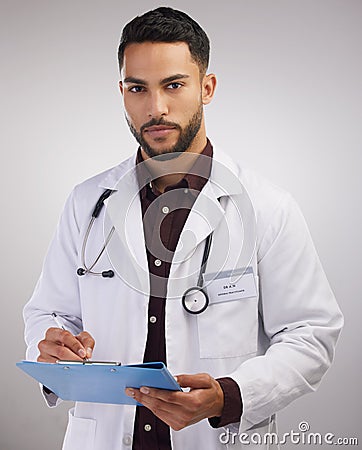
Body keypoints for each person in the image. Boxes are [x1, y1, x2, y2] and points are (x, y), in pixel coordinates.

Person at [23, 6, 343, 450]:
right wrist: (53, 344)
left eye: (174, 85)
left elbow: (312, 334)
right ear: (122, 93)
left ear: (206, 87)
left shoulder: (268, 207)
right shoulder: (87, 203)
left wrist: (228, 397)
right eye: (138, 88)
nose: (156, 108)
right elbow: (47, 312)